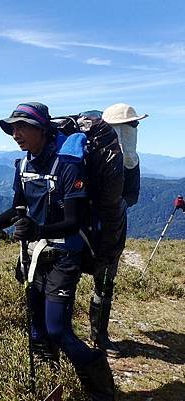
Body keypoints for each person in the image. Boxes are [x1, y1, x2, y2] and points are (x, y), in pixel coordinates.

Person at [0, 102, 114, 401]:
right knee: (35, 326)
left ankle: (100, 385)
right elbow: (17, 210)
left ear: (42, 129)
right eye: (12, 129)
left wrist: (38, 231)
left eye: (21, 127)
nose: (15, 134)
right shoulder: (24, 165)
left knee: (57, 329)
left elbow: (73, 221)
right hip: (33, 256)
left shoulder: (69, 165)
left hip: (64, 257)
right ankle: (48, 382)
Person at [86, 103, 148, 356]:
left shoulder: (128, 159)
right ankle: (91, 336)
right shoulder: (98, 155)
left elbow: (131, 196)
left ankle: (96, 335)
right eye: (132, 124)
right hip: (102, 229)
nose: (135, 127)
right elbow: (131, 196)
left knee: (103, 281)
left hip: (103, 228)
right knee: (98, 280)